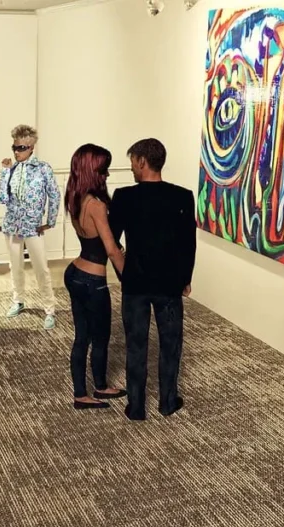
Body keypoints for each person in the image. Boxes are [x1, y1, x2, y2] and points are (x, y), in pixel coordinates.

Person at [109, 138, 196, 421]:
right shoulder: (183, 196)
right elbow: (188, 244)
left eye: (132, 162)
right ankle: (168, 402)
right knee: (171, 345)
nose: (131, 167)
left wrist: (123, 269)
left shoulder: (124, 196)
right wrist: (185, 278)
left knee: (136, 345)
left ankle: (136, 406)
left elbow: (112, 239)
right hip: (169, 284)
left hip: (135, 283)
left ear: (142, 161)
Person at [63, 144, 127, 410]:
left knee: (82, 336)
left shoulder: (76, 198)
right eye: (103, 169)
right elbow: (111, 249)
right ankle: (97, 388)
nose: (107, 174)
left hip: (74, 273)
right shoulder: (97, 205)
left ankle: (83, 392)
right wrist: (129, 279)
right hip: (92, 280)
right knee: (100, 337)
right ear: (92, 171)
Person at [0, 124, 61, 330]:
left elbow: (54, 195)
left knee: (41, 268)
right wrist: (5, 173)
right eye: (14, 147)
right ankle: (18, 300)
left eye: (21, 148)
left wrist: (50, 221)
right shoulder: (12, 169)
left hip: (34, 226)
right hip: (12, 226)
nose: (17, 152)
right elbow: (2, 198)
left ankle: (49, 309)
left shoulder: (43, 169)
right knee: (15, 266)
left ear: (31, 147)